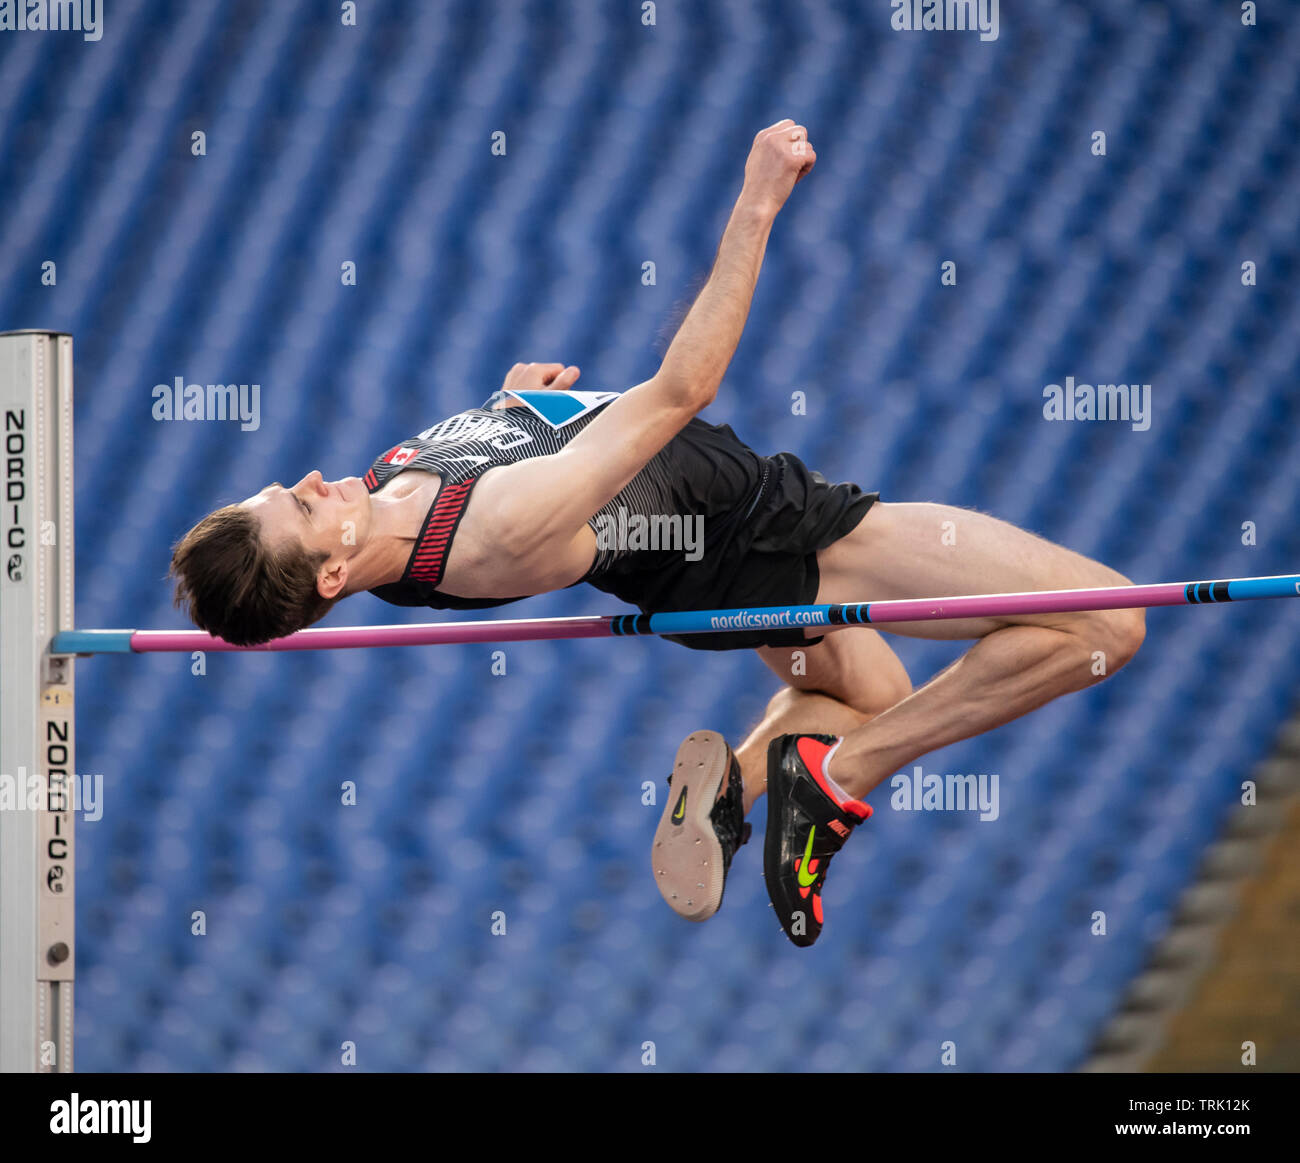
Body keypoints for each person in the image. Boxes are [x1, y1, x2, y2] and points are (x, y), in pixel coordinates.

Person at [169, 119, 1144, 947]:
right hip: (765, 533)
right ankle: (841, 775)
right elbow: (681, 391)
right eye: (299, 506)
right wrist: (757, 202)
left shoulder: (383, 500)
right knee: (1103, 627)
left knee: (872, 687)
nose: (307, 479)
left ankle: (747, 788)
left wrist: (509, 407)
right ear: (334, 568)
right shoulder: (495, 527)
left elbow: (494, 484)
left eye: (284, 485)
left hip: (703, 556)